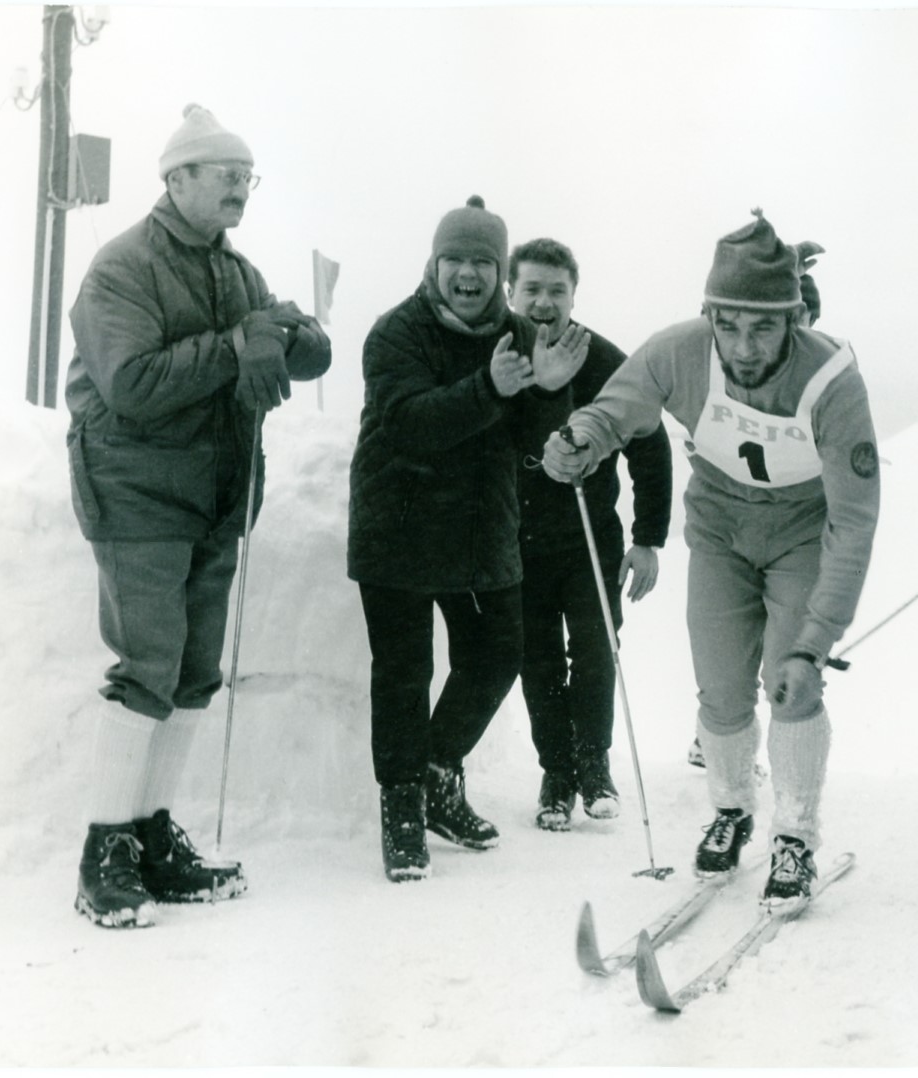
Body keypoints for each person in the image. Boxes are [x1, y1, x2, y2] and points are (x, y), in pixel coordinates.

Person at [544, 211, 879, 906]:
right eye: (727, 325)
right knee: (721, 689)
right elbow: (616, 409)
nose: (743, 346)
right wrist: (579, 438)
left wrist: (816, 642)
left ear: (792, 319)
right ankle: (730, 811)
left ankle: (793, 833)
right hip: (721, 532)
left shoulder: (831, 379)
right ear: (709, 315)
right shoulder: (681, 351)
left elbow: (854, 518)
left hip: (799, 535)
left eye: (763, 328)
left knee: (792, 682)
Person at [64, 104, 332, 928]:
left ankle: (149, 835)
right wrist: (236, 345)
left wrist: (293, 336)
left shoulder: (237, 272)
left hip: (216, 492)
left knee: (191, 674)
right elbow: (132, 386)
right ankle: (102, 851)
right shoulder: (123, 268)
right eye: (224, 174)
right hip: (138, 491)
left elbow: (293, 349)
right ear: (174, 179)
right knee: (147, 664)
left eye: (247, 177)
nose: (239, 189)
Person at [347, 197, 588, 882]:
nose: (467, 275)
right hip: (397, 525)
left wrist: (548, 392)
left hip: (482, 527)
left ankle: (435, 773)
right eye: (455, 259)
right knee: (403, 674)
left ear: (498, 271)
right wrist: (488, 386)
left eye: (482, 262)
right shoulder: (397, 332)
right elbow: (408, 424)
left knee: (498, 654)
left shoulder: (517, 333)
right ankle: (401, 808)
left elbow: (531, 440)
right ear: (435, 261)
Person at [507, 238, 673, 831]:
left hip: (588, 539)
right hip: (516, 544)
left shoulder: (603, 359)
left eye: (557, 291)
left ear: (574, 295)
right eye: (533, 290)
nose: (545, 303)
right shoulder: (498, 358)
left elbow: (650, 444)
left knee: (597, 647)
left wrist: (647, 538)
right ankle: (556, 773)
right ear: (511, 292)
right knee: (538, 659)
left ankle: (593, 762)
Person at [687, 238, 826, 770]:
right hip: (731, 528)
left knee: (783, 644)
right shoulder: (736, 368)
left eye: (810, 319)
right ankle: (717, 735)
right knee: (726, 641)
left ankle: (786, 743)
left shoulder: (815, 379)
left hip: (796, 533)